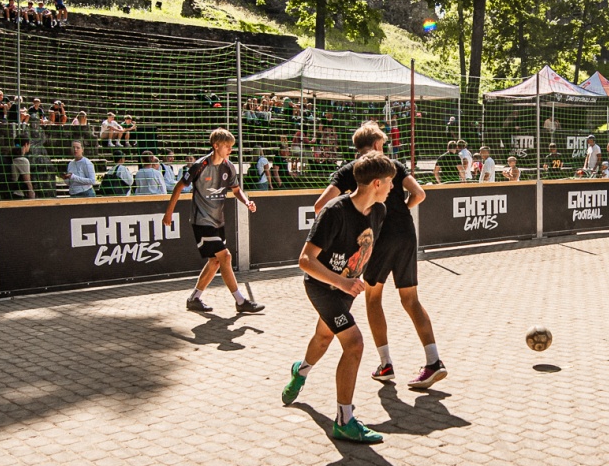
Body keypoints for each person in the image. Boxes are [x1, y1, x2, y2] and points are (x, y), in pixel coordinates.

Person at [313, 122, 445, 391]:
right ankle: (434, 361)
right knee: (411, 300)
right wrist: (402, 210)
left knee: (373, 298)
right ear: (376, 145)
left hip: (378, 238)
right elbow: (419, 194)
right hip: (406, 233)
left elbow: (320, 206)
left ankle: (385, 364)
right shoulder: (393, 165)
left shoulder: (352, 170)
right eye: (383, 145)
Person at [282, 152, 396, 443]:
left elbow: (365, 249)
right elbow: (305, 260)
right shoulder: (334, 211)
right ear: (376, 183)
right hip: (323, 287)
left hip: (346, 289)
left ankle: (300, 371)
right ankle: (344, 420)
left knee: (323, 337)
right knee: (354, 343)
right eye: (390, 181)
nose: (393, 187)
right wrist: (342, 282)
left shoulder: (379, 211)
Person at [165, 129, 264, 315]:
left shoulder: (229, 167)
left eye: (231, 147)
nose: (230, 150)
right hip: (201, 221)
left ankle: (194, 299)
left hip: (218, 221)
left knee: (215, 261)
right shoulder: (200, 165)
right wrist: (168, 213)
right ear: (216, 146)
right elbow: (179, 186)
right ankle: (240, 301)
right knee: (225, 257)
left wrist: (246, 202)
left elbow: (236, 190)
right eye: (227, 146)